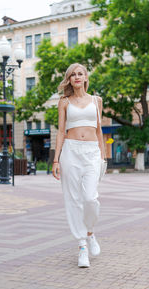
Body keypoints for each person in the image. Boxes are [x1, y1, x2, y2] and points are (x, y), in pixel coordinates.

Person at [52, 63, 105, 268]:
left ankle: (90, 232)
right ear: (69, 79)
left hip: (92, 152)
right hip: (70, 152)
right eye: (72, 74)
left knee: (90, 198)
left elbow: (99, 130)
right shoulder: (64, 102)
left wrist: (103, 156)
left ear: (85, 77)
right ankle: (82, 245)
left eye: (80, 73)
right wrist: (56, 159)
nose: (76, 77)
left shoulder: (96, 100)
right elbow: (60, 131)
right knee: (73, 199)